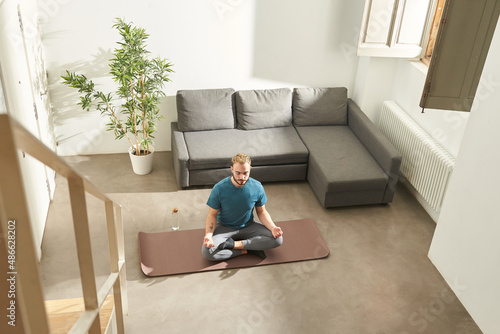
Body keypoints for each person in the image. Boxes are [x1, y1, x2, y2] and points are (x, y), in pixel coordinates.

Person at [201, 153, 283, 261]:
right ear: (231, 169)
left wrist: (273, 228)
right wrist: (208, 235)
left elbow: (262, 212)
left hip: (248, 226)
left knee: (278, 240)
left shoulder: (257, 187)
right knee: (207, 253)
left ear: (250, 169)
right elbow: (212, 215)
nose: (242, 177)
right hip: (225, 227)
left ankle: (233, 245)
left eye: (245, 173)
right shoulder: (219, 189)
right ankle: (247, 249)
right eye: (238, 173)